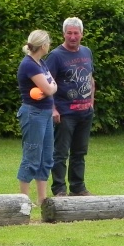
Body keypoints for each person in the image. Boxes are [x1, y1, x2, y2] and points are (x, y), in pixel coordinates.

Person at [46, 17, 95, 197]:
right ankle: (59, 189)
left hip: (85, 112)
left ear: (82, 34)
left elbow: (90, 79)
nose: (73, 37)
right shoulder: (56, 56)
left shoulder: (87, 52)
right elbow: (46, 84)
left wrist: (91, 102)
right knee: (60, 153)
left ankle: (78, 187)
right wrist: (53, 109)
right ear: (64, 34)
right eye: (69, 33)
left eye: (76, 33)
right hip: (65, 113)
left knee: (80, 152)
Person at [16, 30, 57, 204]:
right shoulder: (29, 65)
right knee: (32, 157)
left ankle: (42, 199)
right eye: (48, 42)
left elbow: (52, 84)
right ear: (43, 45)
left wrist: (51, 86)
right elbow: (50, 88)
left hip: (46, 114)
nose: (49, 45)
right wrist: (51, 87)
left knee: (46, 157)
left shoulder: (41, 63)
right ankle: (24, 200)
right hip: (34, 114)